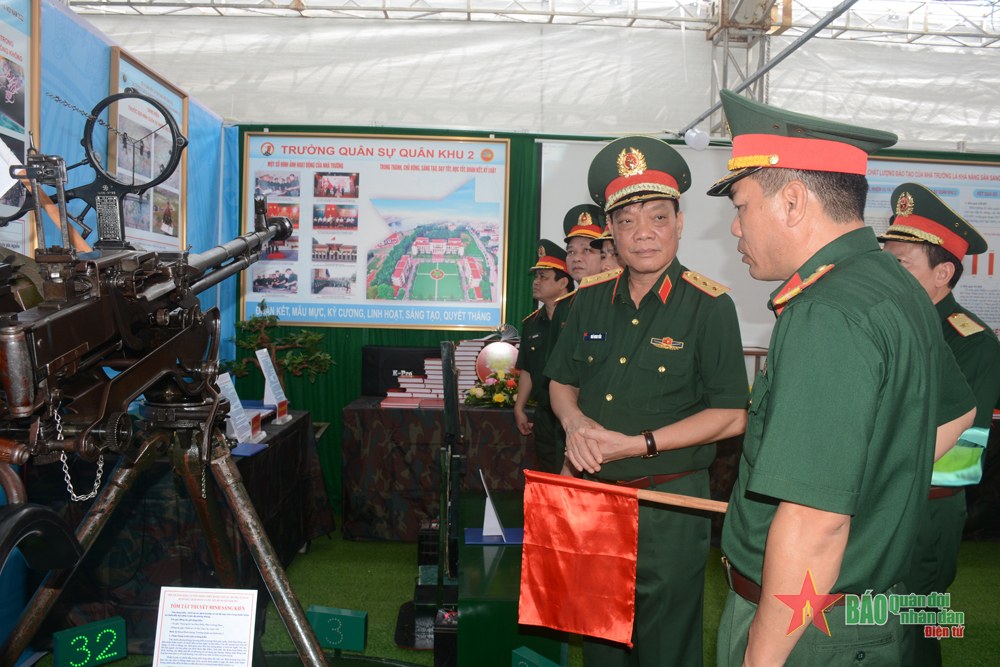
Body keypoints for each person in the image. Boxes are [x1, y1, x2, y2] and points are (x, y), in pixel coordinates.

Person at [708, 89, 977, 667]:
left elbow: (814, 522)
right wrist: (875, 495)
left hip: (804, 629)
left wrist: (761, 656)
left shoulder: (826, 311)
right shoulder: (891, 280)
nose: (735, 228)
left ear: (794, 200)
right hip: (854, 616)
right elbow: (959, 410)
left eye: (741, 205)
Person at [545, 136, 749, 666]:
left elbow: (731, 414)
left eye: (658, 218)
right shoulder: (586, 300)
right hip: (594, 497)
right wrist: (574, 425)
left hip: (670, 502)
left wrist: (636, 445)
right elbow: (561, 381)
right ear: (609, 230)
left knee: (667, 643)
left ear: (680, 222)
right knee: (599, 639)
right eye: (628, 221)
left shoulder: (710, 307)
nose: (643, 234)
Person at [878, 183, 1000, 667]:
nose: (885, 275)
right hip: (873, 500)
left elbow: (959, 452)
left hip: (926, 511)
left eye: (900, 264)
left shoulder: (973, 343)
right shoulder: (886, 325)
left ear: (943, 273)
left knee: (913, 633)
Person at [514, 239, 575, 473]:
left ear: (563, 282)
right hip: (544, 416)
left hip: (574, 413)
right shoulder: (531, 324)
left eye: (543, 277)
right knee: (549, 475)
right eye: (536, 276)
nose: (536, 282)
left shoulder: (581, 315)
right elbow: (527, 369)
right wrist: (519, 407)